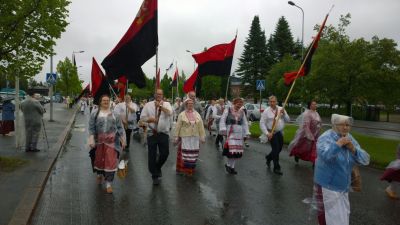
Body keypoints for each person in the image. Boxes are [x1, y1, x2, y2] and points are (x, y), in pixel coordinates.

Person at [313, 114, 370, 225]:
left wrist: (353, 149)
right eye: (342, 125)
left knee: (344, 216)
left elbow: (365, 159)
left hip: (343, 186)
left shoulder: (349, 137)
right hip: (329, 185)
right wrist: (337, 145)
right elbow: (325, 156)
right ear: (334, 125)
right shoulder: (325, 137)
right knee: (333, 218)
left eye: (348, 125)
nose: (345, 128)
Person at [88, 94, 126, 194]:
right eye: (104, 100)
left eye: (107, 100)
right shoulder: (95, 114)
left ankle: (108, 184)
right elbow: (91, 127)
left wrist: (123, 139)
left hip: (112, 143)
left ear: (109, 102)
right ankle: (99, 174)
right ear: (100, 102)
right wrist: (91, 138)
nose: (106, 102)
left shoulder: (115, 115)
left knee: (111, 162)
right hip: (99, 143)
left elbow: (120, 128)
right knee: (99, 161)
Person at [140, 89, 173, 185]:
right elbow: (142, 118)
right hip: (152, 133)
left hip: (163, 133)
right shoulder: (148, 105)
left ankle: (157, 167)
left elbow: (170, 113)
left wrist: (161, 107)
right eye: (157, 94)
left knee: (165, 153)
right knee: (152, 155)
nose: (159, 95)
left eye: (161, 94)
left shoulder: (166, 104)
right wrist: (149, 119)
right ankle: (154, 175)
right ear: (155, 95)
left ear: (163, 95)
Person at [174, 98, 206, 176]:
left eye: (192, 103)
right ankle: (185, 169)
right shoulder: (182, 114)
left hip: (195, 137)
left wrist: (202, 136)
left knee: (193, 154)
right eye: (189, 103)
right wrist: (176, 136)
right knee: (185, 154)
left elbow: (201, 126)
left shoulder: (197, 114)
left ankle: (191, 169)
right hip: (185, 137)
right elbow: (178, 126)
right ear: (186, 105)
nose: (190, 105)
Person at [260, 95, 290, 175]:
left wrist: (284, 114)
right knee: (276, 149)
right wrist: (267, 133)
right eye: (271, 101)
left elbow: (288, 120)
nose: (272, 103)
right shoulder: (266, 111)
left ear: (276, 102)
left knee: (279, 149)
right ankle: (276, 168)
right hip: (272, 133)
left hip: (279, 132)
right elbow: (262, 123)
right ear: (269, 102)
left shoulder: (281, 109)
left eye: (274, 101)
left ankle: (269, 157)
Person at [219, 98, 250, 174]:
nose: (239, 105)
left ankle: (232, 167)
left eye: (241, 103)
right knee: (231, 150)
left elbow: (245, 123)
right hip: (231, 132)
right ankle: (228, 165)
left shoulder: (242, 112)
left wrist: (246, 132)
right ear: (234, 103)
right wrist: (223, 129)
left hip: (239, 133)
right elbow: (223, 119)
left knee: (236, 151)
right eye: (238, 103)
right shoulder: (228, 109)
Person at [288, 100, 322, 167]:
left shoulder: (316, 113)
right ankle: (297, 155)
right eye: (313, 104)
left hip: (315, 134)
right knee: (303, 148)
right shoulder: (308, 114)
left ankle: (314, 162)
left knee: (314, 148)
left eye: (315, 104)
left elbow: (319, 122)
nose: (315, 105)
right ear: (310, 105)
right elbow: (306, 125)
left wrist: (319, 128)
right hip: (307, 135)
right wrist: (309, 135)